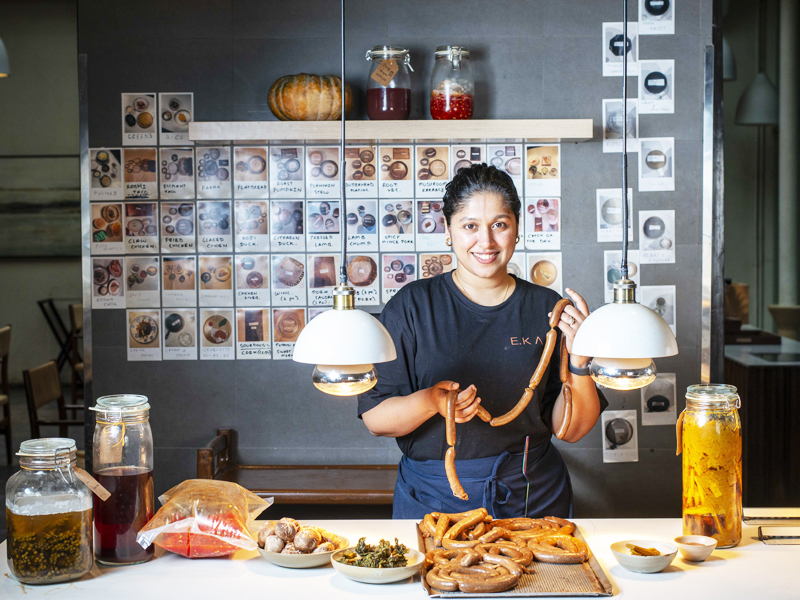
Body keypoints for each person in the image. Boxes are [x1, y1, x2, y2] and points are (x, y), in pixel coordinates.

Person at [358, 164, 607, 519]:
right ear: (448, 230)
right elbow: (376, 418)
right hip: (434, 500)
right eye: (470, 226)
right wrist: (431, 401)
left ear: (516, 228)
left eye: (499, 225)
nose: (486, 242)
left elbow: (571, 430)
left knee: (546, 579)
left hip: (533, 497)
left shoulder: (547, 308)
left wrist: (581, 363)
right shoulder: (411, 306)